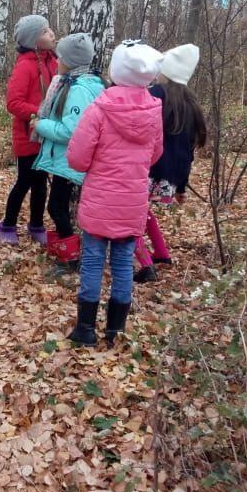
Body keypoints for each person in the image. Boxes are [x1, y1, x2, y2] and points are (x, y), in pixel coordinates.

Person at [66, 41, 165, 347]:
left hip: (100, 200)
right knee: (123, 263)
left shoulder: (100, 108)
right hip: (132, 200)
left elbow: (78, 158)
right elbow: (155, 154)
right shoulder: (153, 110)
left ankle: (85, 329)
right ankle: (115, 330)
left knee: (94, 262)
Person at [31, 32, 105, 265]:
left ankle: (71, 258)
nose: (57, 61)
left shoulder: (79, 89)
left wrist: (40, 125)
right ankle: (63, 250)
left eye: (60, 57)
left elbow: (71, 130)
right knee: (58, 206)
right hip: (68, 159)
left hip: (70, 160)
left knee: (55, 207)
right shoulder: (80, 83)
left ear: (70, 62)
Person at [135, 43, 206, 282]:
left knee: (131, 216)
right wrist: (182, 186)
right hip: (170, 178)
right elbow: (188, 151)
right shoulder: (191, 103)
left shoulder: (156, 94)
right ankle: (162, 253)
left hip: (147, 170)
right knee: (140, 211)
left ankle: (146, 264)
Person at [0, 15, 58, 245]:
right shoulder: (25, 66)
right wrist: (40, 113)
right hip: (27, 136)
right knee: (24, 181)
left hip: (48, 135)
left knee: (41, 183)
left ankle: (36, 225)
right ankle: (8, 224)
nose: (51, 34)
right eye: (45, 31)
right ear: (33, 40)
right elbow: (13, 103)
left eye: (49, 29)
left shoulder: (54, 61)